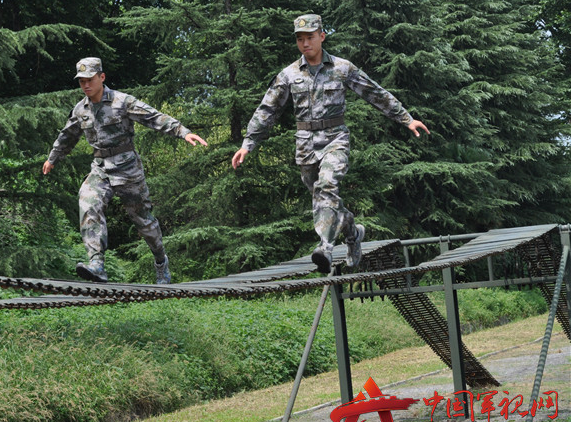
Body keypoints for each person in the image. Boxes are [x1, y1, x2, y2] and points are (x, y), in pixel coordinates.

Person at [231, 14, 429, 274]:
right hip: (305, 145)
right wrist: (248, 144)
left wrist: (406, 118)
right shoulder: (289, 75)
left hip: (336, 139)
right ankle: (352, 230)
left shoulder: (341, 68)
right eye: (300, 39)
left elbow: (374, 92)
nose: (305, 44)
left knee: (327, 185)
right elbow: (267, 110)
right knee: (325, 199)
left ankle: (325, 246)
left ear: (322, 36)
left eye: (310, 37)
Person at [44, 57, 208, 284]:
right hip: (100, 169)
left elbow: (153, 116)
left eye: (89, 80)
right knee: (88, 204)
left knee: (143, 221)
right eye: (81, 81)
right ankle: (96, 264)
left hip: (128, 169)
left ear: (101, 77)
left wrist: (182, 131)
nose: (85, 85)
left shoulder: (122, 101)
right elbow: (67, 135)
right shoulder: (81, 109)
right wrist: (53, 158)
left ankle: (161, 262)